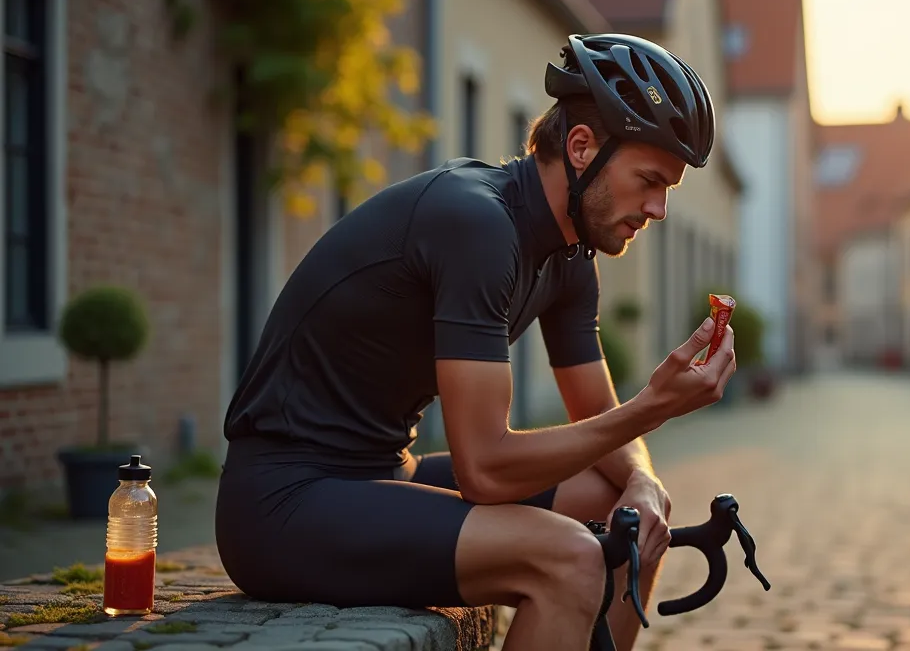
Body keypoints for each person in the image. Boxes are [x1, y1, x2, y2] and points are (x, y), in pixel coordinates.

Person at [214, 33, 734, 651]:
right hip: (282, 500)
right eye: (649, 180)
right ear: (581, 146)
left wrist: (645, 484)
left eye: (668, 189)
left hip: (384, 477)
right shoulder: (477, 226)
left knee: (623, 508)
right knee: (570, 558)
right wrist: (654, 405)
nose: (658, 209)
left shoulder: (569, 258)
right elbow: (484, 470)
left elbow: (597, 415)